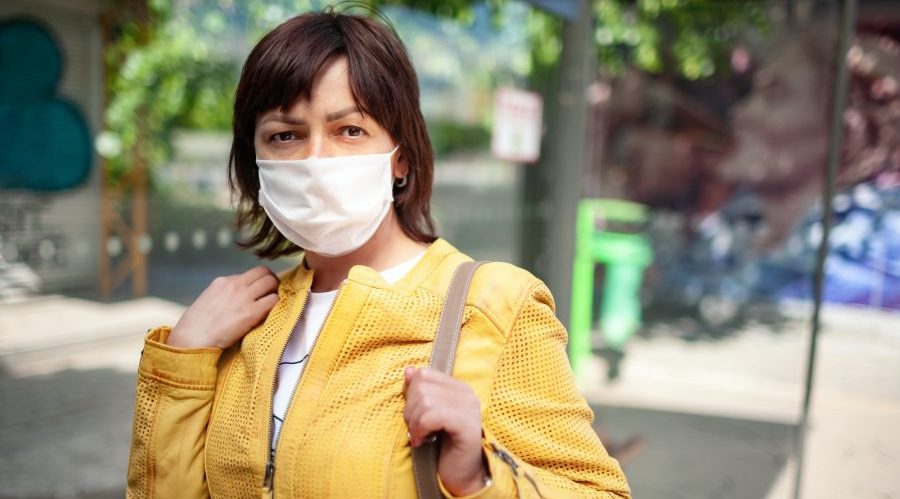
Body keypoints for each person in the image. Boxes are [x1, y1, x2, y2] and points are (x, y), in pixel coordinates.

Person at [126, 9, 631, 499]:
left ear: (401, 157)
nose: (316, 159)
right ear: (255, 164)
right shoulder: (242, 320)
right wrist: (185, 361)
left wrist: (476, 477)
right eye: (285, 135)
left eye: (350, 130)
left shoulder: (495, 308)